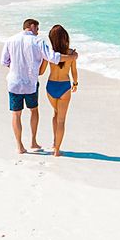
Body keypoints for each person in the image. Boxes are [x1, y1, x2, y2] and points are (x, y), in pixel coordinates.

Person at [0, 17, 61, 154]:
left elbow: (4, 61)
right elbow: (52, 57)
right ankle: (33, 141)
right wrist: (70, 56)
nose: (38, 32)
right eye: (37, 29)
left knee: (16, 114)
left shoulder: (11, 40)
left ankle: (19, 146)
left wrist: (17, 67)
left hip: (14, 83)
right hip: (31, 83)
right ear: (32, 26)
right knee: (33, 110)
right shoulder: (38, 41)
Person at [42, 24, 80, 155]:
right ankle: (57, 150)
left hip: (51, 86)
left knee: (55, 113)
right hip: (64, 86)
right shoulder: (72, 54)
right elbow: (74, 71)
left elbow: (41, 70)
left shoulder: (49, 54)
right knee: (61, 119)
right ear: (65, 37)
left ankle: (54, 143)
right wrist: (75, 83)